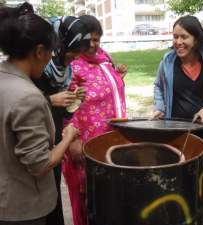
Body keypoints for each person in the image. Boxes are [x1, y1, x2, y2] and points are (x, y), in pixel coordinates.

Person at [0, 3, 79, 225]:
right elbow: (40, 164)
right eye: (50, 52)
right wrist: (68, 138)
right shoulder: (28, 97)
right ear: (39, 51)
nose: (49, 59)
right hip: (22, 209)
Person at [152, 15, 203, 224]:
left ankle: (202, 213)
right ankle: (178, 214)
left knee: (202, 176)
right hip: (175, 132)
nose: (178, 42)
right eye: (175, 37)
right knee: (177, 175)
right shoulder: (167, 60)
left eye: (183, 37)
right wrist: (159, 107)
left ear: (196, 37)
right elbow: (158, 86)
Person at [62, 15, 127, 225]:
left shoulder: (104, 57)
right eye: (88, 40)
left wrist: (116, 77)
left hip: (111, 139)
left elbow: (100, 89)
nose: (92, 45)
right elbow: (64, 105)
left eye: (97, 39)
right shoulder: (71, 63)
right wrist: (72, 140)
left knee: (109, 196)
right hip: (85, 142)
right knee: (87, 198)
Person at [32, 15, 91, 225]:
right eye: (72, 52)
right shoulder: (35, 70)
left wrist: (72, 102)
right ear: (59, 45)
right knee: (40, 205)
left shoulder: (64, 70)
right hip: (35, 150)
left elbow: (60, 114)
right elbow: (26, 108)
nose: (73, 59)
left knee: (53, 196)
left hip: (53, 146)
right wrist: (50, 100)